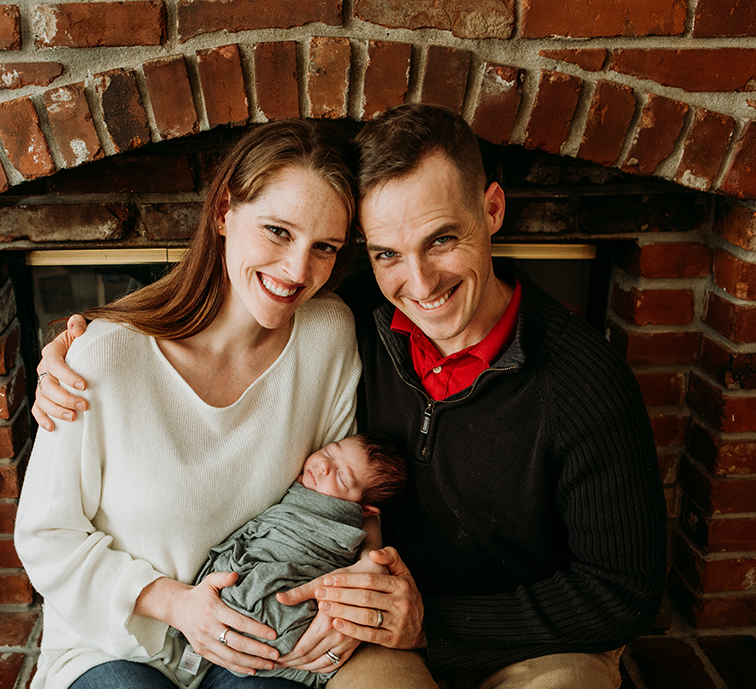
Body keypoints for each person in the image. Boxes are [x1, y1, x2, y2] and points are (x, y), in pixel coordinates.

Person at [33, 104, 667, 689]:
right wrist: (75, 346)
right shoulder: (353, 315)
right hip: (342, 627)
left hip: (519, 635)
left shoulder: (580, 381)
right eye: (388, 252)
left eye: (442, 239)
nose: (419, 284)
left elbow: (625, 591)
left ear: (492, 211)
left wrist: (412, 615)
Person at [15, 119, 374, 689]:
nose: (298, 271)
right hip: (118, 643)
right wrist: (177, 605)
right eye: (278, 232)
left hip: (261, 633)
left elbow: (346, 499)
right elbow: (46, 536)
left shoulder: (327, 335)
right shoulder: (103, 357)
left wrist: (355, 590)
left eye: (324, 247)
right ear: (224, 210)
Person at [190, 432, 407, 688]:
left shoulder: (343, 527)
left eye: (341, 476)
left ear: (365, 511)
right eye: (329, 451)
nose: (324, 466)